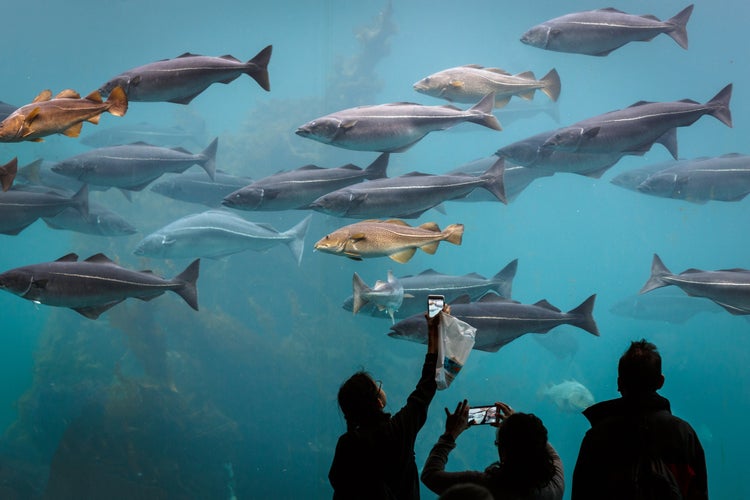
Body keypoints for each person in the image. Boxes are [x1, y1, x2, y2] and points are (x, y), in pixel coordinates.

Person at [328, 303, 448, 499]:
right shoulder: (398, 430)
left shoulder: (347, 443)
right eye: (377, 386)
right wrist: (435, 330)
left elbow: (338, 482)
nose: (380, 388)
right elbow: (427, 385)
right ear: (378, 402)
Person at [571, 339, 708, 499]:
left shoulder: (596, 436)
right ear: (661, 381)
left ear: (619, 383)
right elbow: (698, 492)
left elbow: (582, 492)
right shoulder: (684, 433)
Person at [421, 400, 564, 499]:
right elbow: (553, 455)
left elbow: (430, 476)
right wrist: (520, 425)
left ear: (503, 451)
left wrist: (450, 435)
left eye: (498, 443)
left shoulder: (484, 486)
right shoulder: (554, 486)